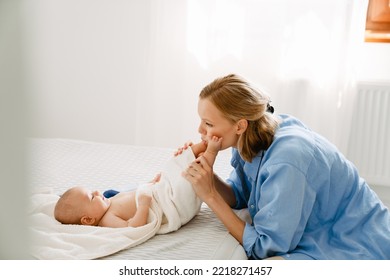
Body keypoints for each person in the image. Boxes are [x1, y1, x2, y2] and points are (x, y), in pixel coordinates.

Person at [180, 73, 390, 260]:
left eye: (208, 123)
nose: (200, 129)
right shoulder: (249, 136)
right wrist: (207, 174)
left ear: (240, 125)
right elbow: (240, 196)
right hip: (323, 228)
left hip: (355, 240)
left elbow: (266, 248)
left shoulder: (286, 160)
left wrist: (210, 197)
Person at [54, 139, 218, 228]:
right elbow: (133, 227)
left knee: (172, 165)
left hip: (158, 192)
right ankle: (210, 152)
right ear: (88, 219)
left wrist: (151, 183)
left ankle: (200, 146)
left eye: (92, 191)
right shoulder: (108, 220)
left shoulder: (110, 201)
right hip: (168, 205)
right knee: (187, 181)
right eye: (91, 197)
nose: (97, 191)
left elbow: (137, 191)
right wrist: (144, 207)